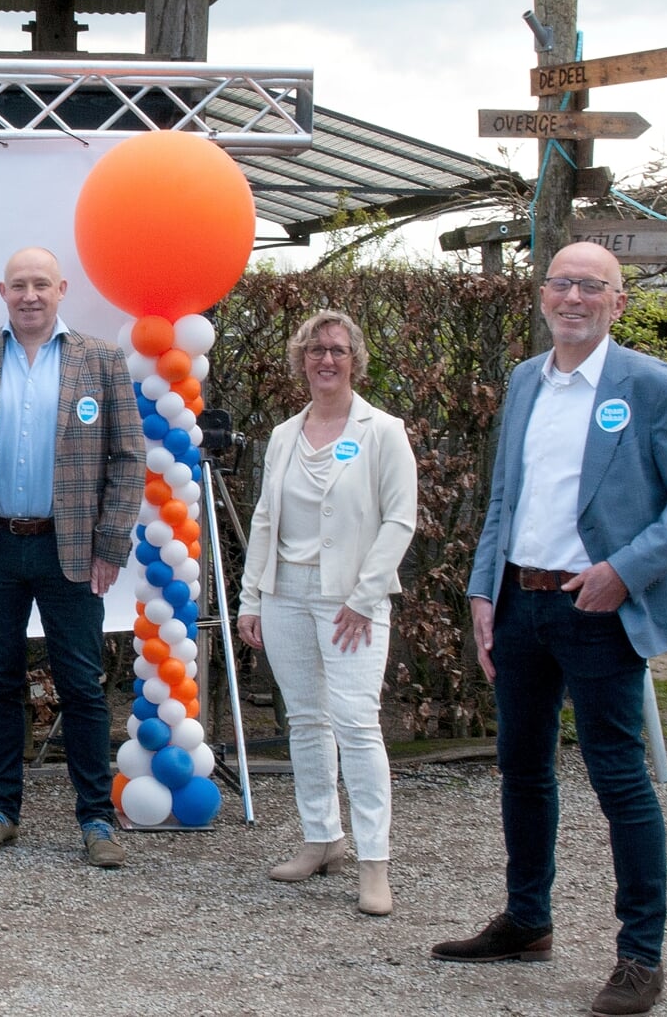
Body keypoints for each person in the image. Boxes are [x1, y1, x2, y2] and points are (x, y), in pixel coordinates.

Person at [431, 243, 667, 1017]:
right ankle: (527, 921)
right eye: (560, 282)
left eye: (590, 286)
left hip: (599, 608)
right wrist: (482, 591)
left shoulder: (650, 387)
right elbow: (505, 497)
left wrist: (624, 570)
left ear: (616, 303)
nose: (572, 297)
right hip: (522, 605)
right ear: (542, 295)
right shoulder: (527, 379)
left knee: (618, 780)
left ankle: (639, 956)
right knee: (522, 769)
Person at [0, 246, 142, 867]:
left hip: (69, 548)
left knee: (81, 684)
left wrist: (111, 543)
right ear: (2, 291)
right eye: (18, 285)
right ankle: (1, 812)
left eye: (40, 284)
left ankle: (96, 821)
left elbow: (128, 458)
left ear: (61, 289)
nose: (29, 295)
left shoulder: (99, 360)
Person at [236, 310, 417, 916]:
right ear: (302, 360)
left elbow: (400, 520)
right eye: (315, 350)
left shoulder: (382, 431)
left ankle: (374, 863)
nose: (326, 360)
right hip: (285, 594)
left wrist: (365, 597)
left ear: (354, 358)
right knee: (307, 722)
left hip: (351, 602)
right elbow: (265, 518)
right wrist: (252, 597)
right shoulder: (286, 434)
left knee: (357, 725)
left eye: (337, 350)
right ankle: (321, 838)